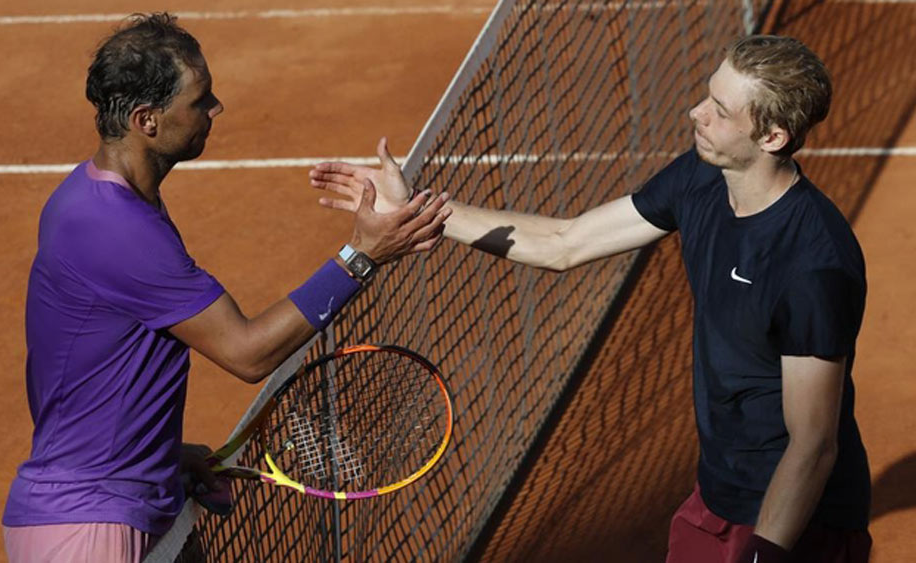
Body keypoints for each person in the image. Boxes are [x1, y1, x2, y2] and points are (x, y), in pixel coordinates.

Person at [310, 35, 871, 563]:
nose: (696, 113)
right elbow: (564, 243)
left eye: (720, 112)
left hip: (797, 522)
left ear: (772, 137)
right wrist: (417, 213)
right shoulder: (699, 180)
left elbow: (814, 444)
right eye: (708, 96)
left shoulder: (813, 264)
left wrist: (764, 555)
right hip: (720, 494)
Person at [1, 13, 450, 563]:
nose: (216, 109)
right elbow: (248, 351)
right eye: (200, 100)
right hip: (89, 529)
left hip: (131, 500)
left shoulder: (95, 197)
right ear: (147, 120)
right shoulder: (116, 230)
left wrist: (158, 454)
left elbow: (87, 365)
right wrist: (363, 255)